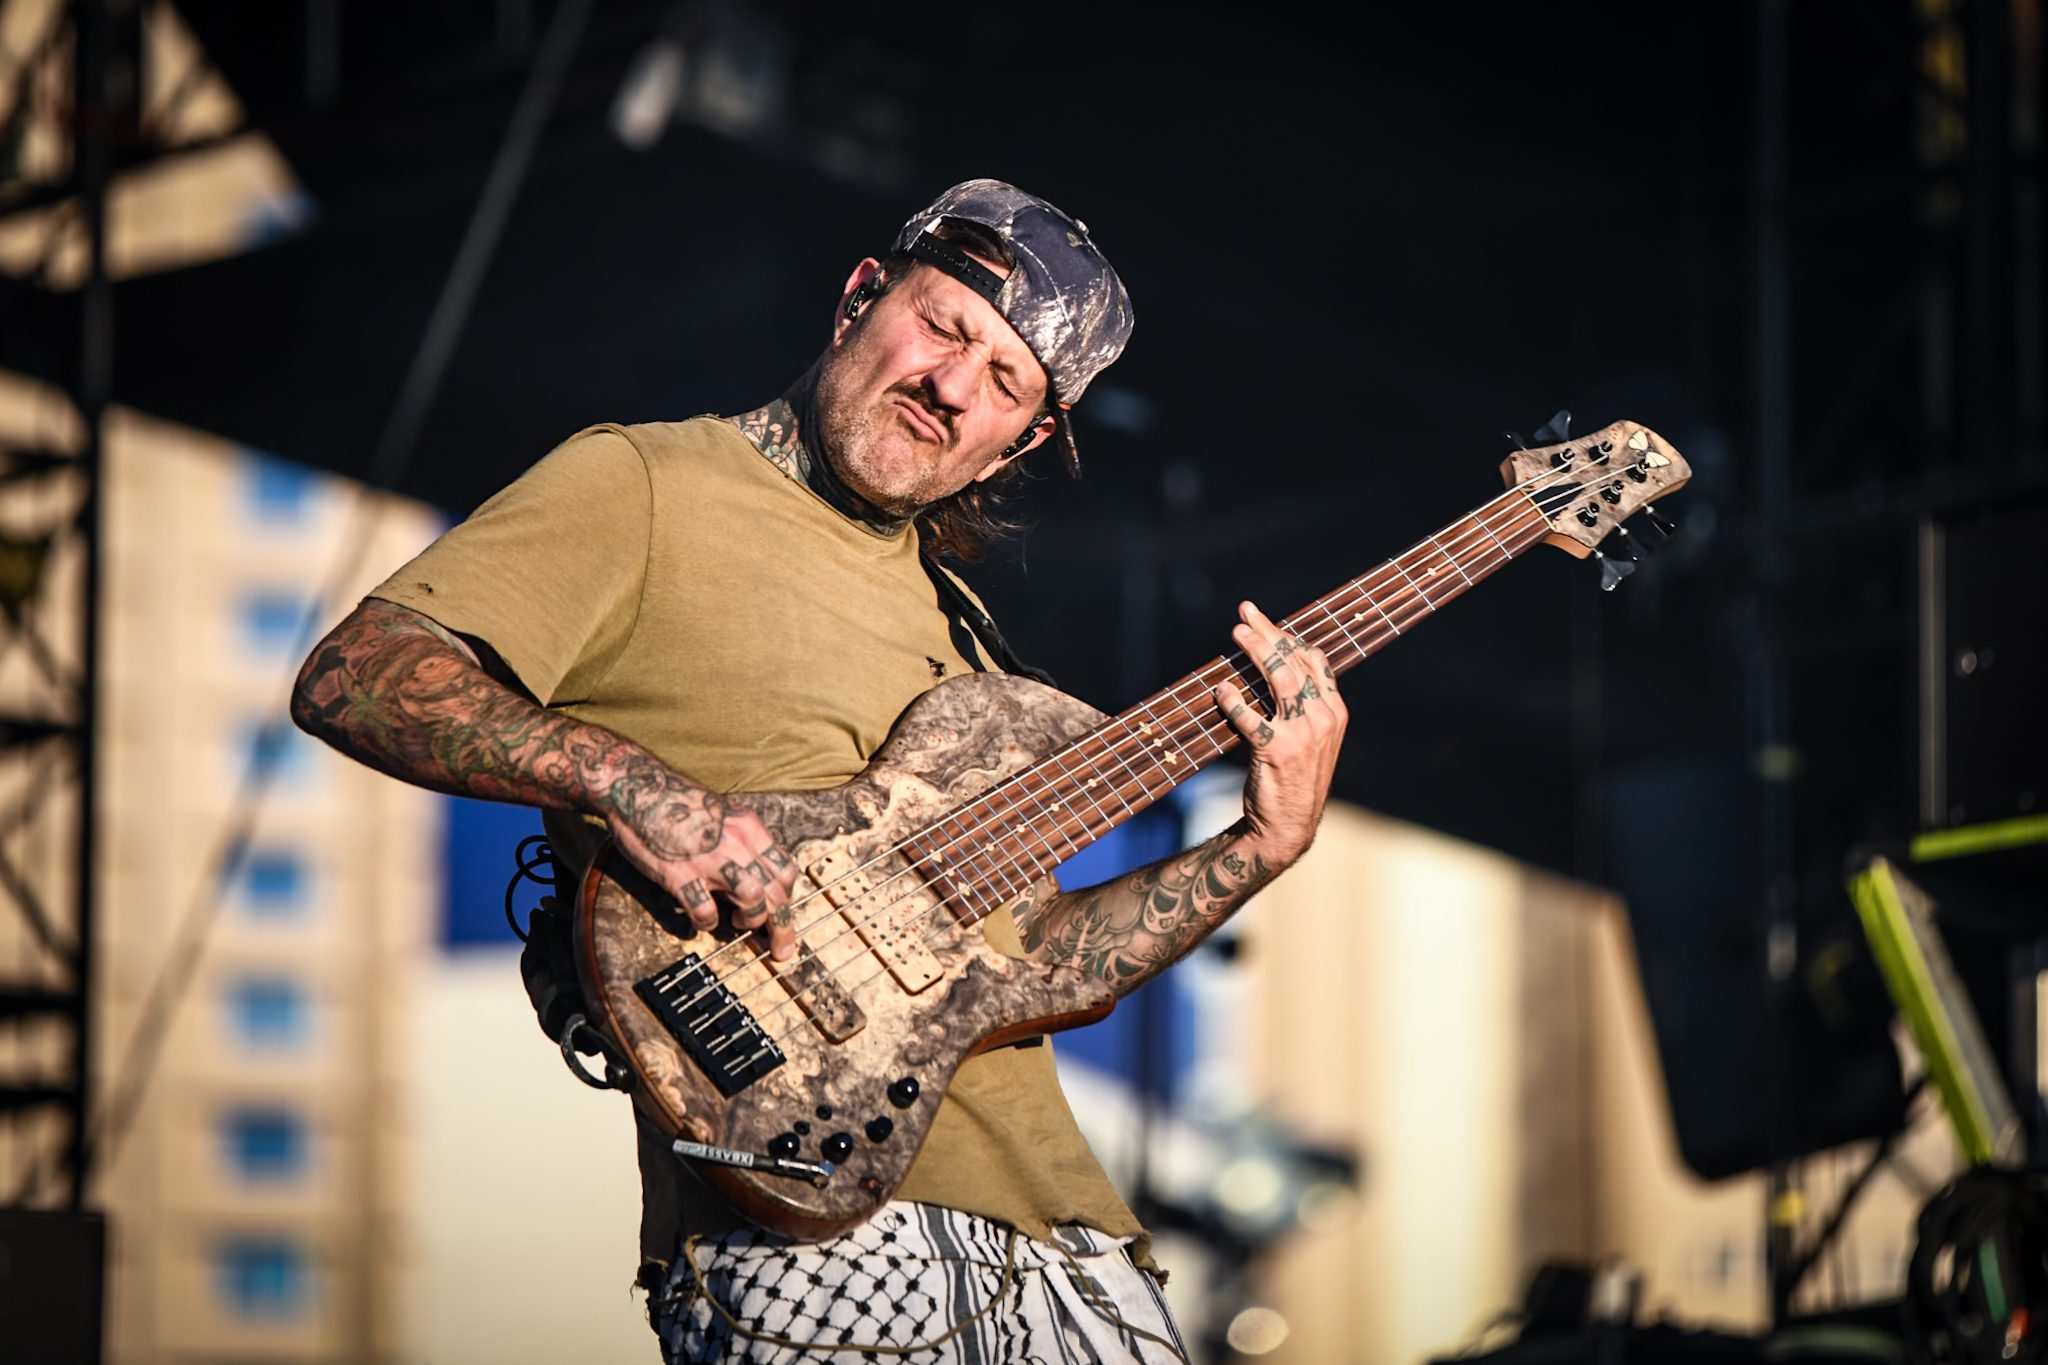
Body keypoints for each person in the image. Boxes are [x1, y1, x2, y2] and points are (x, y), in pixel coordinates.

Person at [291, 179, 1347, 1362]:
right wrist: (634, 786)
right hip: (806, 1225)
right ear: (859, 298)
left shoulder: (961, 637)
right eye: (944, 329)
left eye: (1004, 383)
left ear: (1021, 441)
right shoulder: (648, 482)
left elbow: (1046, 964)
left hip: (1072, 1246)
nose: (953, 388)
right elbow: (356, 672)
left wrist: (1261, 846)